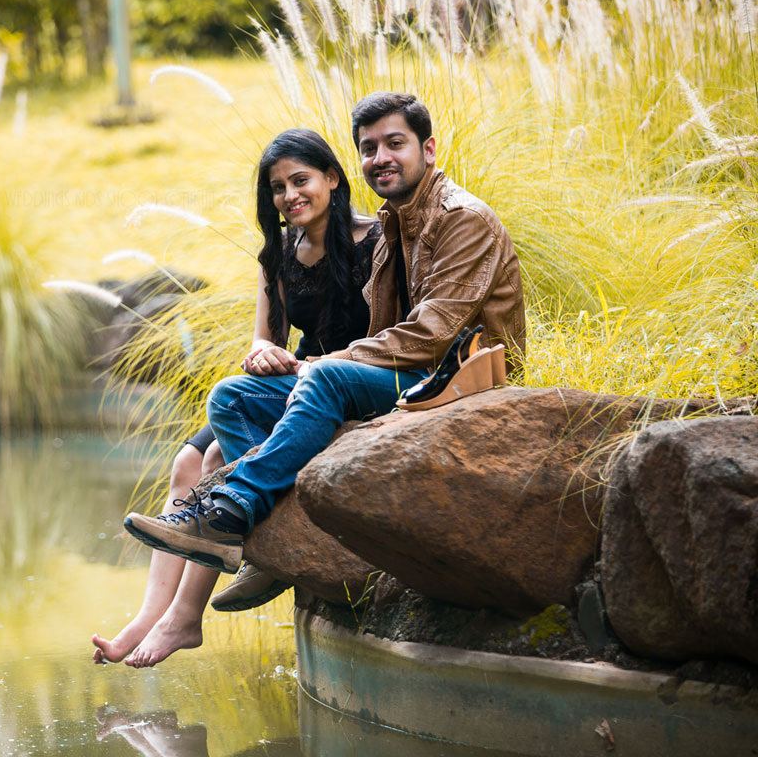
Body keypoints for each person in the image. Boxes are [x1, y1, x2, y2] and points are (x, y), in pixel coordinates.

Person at [123, 91, 526, 591]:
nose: (380, 158)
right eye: (369, 147)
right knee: (232, 397)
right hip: (408, 371)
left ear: (429, 149)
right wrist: (294, 362)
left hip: (456, 376)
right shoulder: (394, 220)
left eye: (394, 143)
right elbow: (374, 333)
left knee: (325, 375)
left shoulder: (462, 218)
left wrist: (323, 362)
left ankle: (230, 511)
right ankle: (272, 537)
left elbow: (432, 334)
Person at [92, 128, 382, 668]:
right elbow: (264, 337)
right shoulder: (279, 253)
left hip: (347, 377)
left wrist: (312, 365)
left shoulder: (376, 240)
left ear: (333, 179)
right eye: (277, 187)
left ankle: (185, 617)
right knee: (185, 459)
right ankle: (147, 616)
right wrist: (259, 355)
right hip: (291, 374)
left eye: (301, 181)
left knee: (218, 457)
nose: (290, 196)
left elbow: (390, 332)